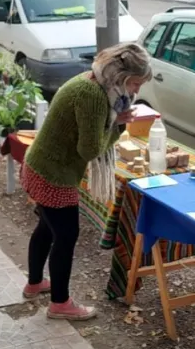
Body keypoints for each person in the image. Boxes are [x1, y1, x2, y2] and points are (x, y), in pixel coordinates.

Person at [20, 43, 152, 320]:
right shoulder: (92, 95)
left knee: (46, 227)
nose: (136, 91)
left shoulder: (92, 80)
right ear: (120, 77)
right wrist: (117, 125)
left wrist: (115, 121)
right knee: (66, 238)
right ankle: (59, 304)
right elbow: (90, 151)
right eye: (135, 83)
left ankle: (34, 284)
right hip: (52, 175)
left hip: (40, 165)